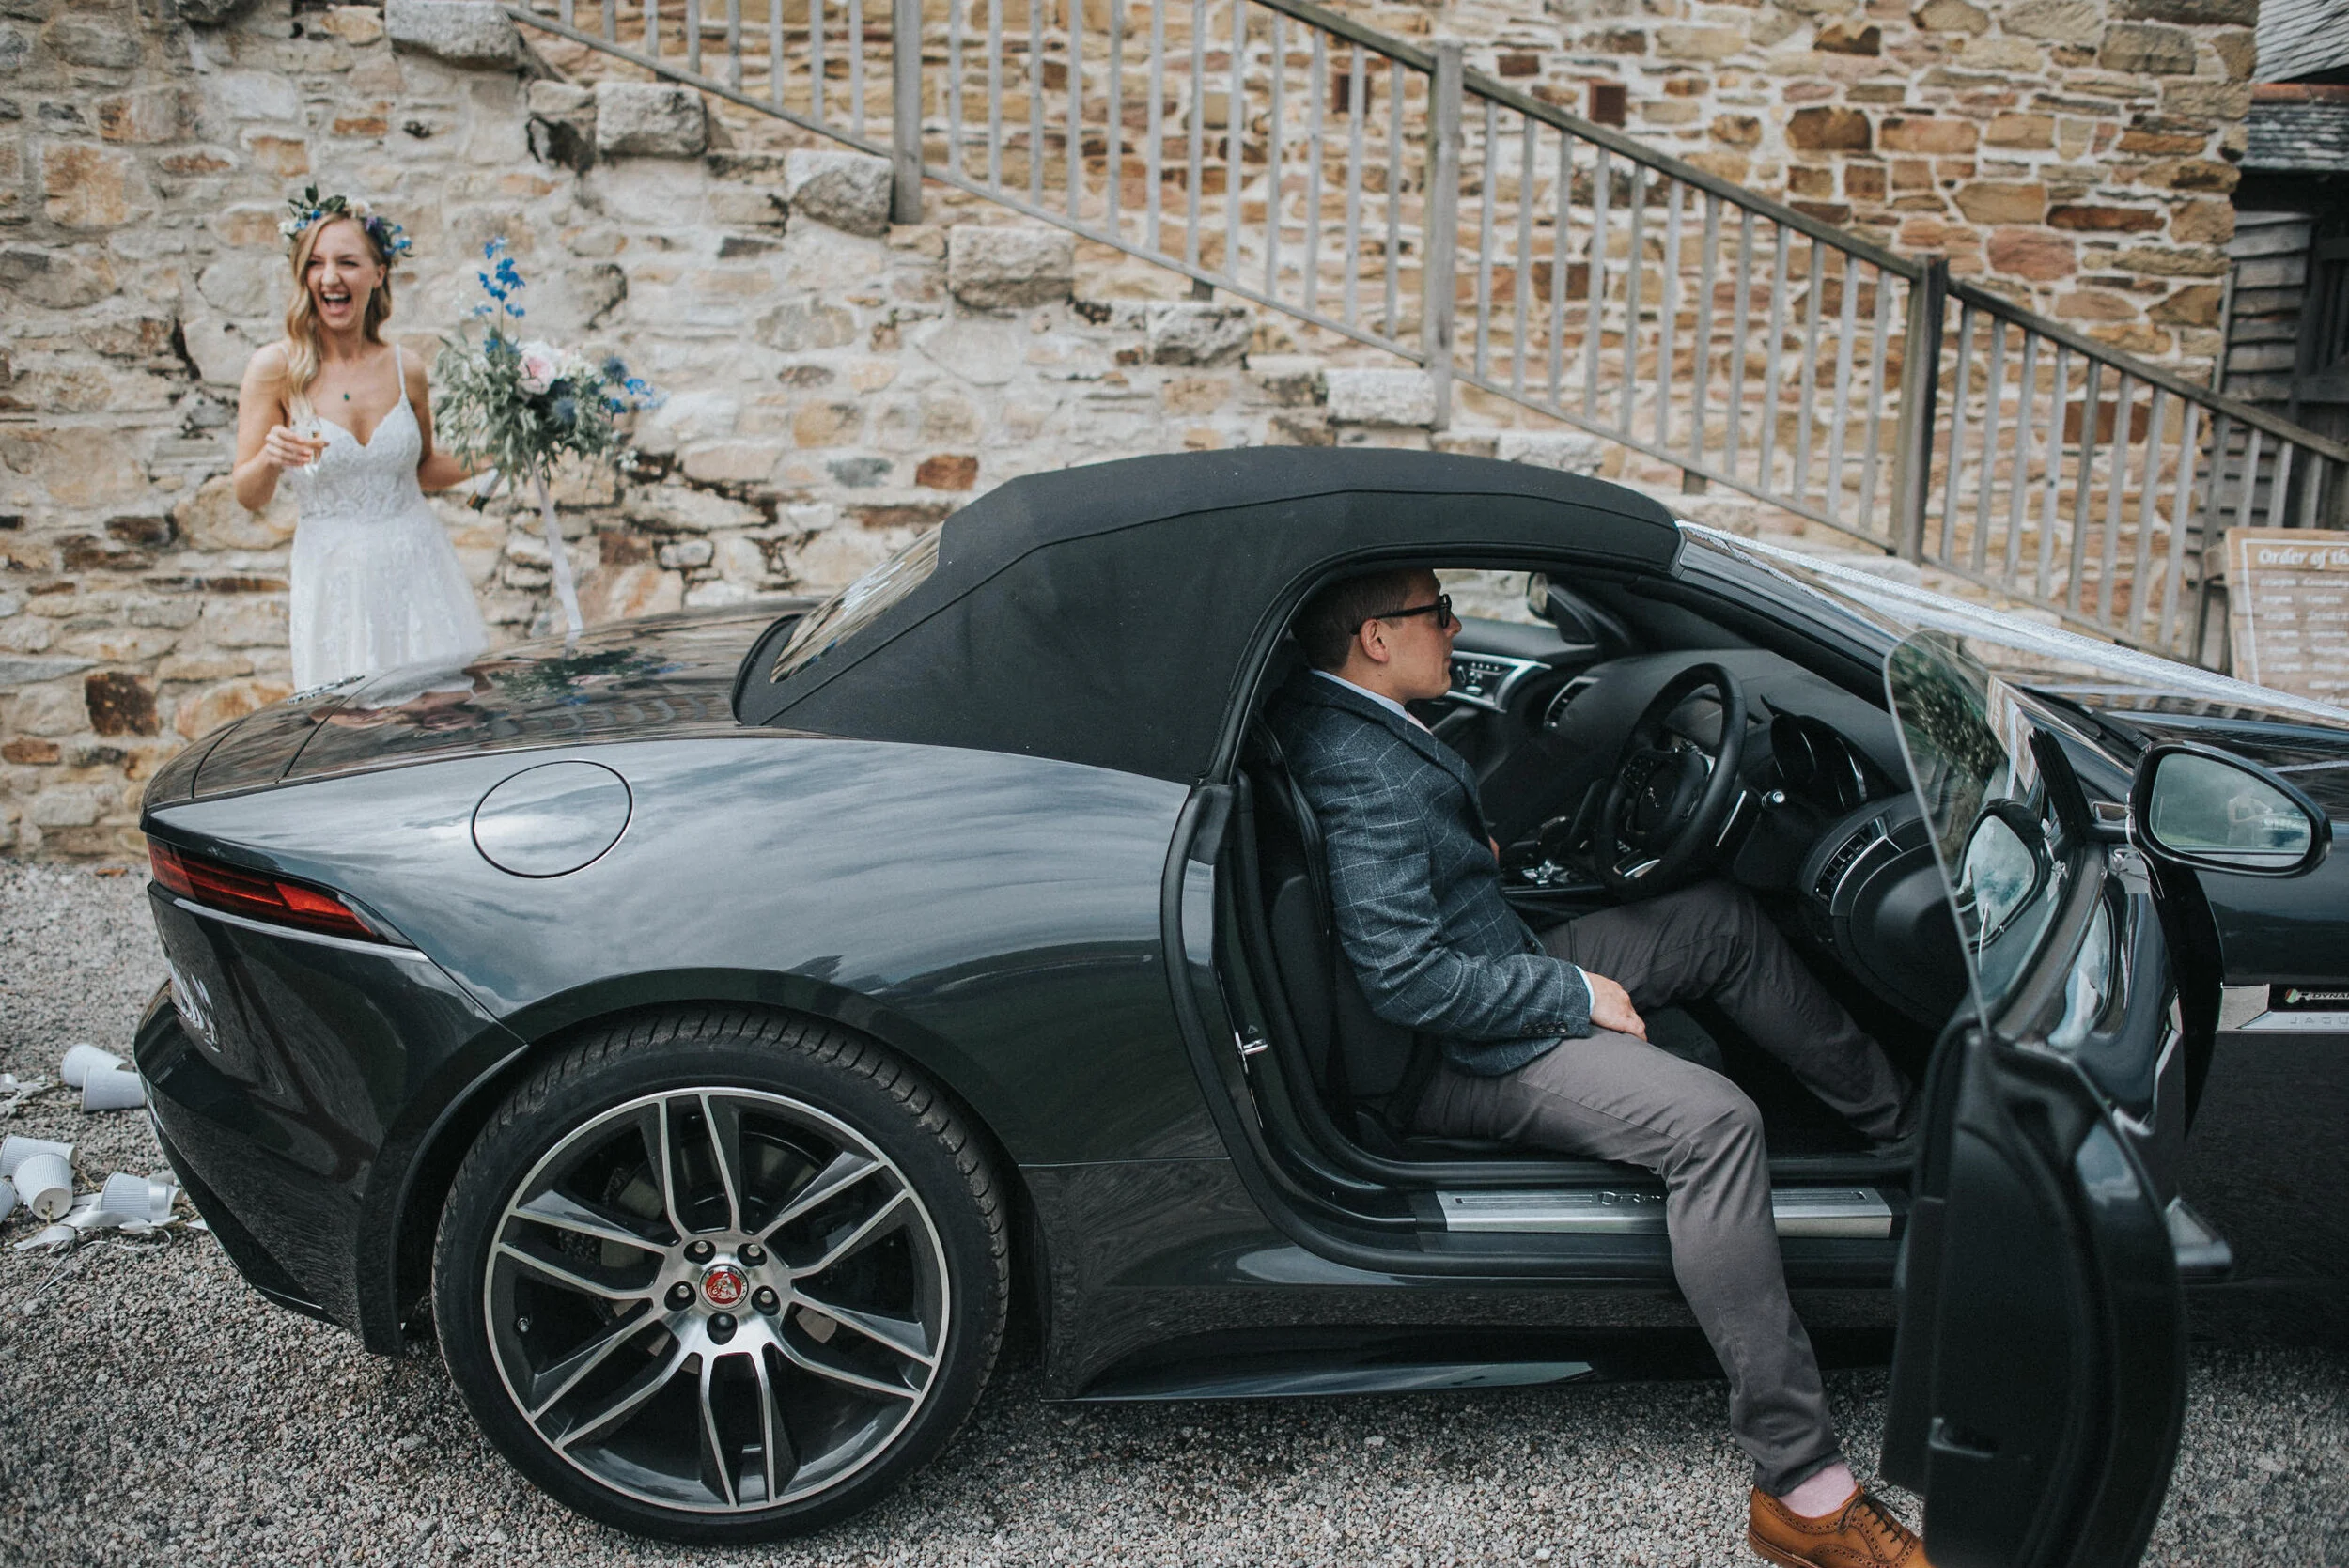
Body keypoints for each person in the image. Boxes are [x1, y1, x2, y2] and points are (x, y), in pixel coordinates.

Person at [1270, 566, 1929, 1568]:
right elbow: (1405, 981)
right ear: (1373, 637)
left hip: (1492, 968)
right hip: (1452, 1051)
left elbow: (1410, 896)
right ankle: (1803, 1486)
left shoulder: (1350, 722)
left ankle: (1909, 1138)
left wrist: (1476, 858)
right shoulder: (1360, 764)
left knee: (1719, 921)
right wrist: (1572, 996)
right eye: (1435, 612)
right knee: (1715, 1127)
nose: (1452, 624)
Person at [232, 191, 489, 691]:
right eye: (317, 264)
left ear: (378, 274)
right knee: (355, 726)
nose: (330, 278)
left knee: (443, 716)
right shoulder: (276, 368)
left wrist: (506, 447)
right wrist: (270, 457)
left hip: (419, 564)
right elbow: (248, 493)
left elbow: (423, 468)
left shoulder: (405, 368)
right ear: (304, 276)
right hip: (335, 581)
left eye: (347, 262)